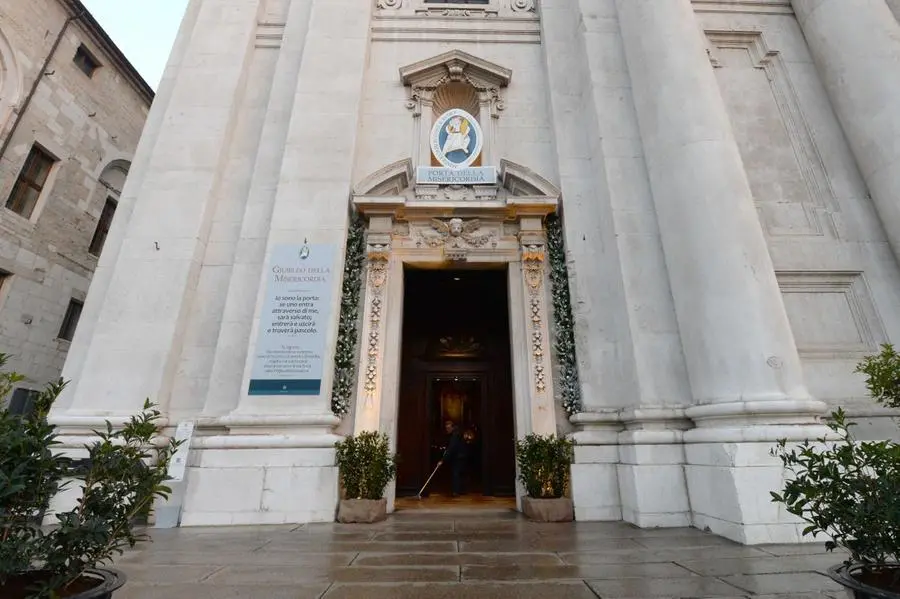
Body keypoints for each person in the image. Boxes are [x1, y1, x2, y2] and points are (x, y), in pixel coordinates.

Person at [439, 420, 466, 497]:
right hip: (460, 456)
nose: (447, 430)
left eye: (448, 428)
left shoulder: (455, 435)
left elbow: (451, 448)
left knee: (456, 473)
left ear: (452, 427)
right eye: (446, 428)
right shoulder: (454, 434)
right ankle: (461, 490)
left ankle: (456, 491)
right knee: (459, 473)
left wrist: (442, 460)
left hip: (458, 457)